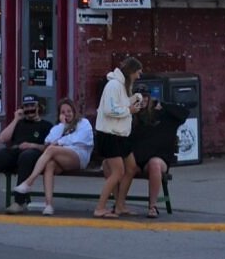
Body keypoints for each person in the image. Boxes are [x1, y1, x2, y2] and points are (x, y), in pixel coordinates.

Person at [12, 97, 94, 215]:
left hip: (79, 156)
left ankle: (29, 182)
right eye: (63, 112)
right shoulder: (59, 127)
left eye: (69, 111)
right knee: (50, 164)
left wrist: (59, 142)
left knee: (51, 150)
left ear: (74, 111)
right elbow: (48, 141)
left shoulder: (83, 123)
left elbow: (79, 140)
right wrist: (62, 125)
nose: (67, 114)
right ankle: (48, 205)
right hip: (62, 157)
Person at [115, 90, 190, 218]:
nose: (142, 100)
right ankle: (119, 204)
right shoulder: (131, 117)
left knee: (155, 164)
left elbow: (184, 113)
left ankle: (152, 206)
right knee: (115, 165)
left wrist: (163, 105)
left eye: (145, 97)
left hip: (158, 159)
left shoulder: (162, 114)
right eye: (138, 97)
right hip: (136, 160)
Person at [0, 94, 50, 214]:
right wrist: (15, 119)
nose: (29, 109)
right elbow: (3, 138)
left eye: (32, 106)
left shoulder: (46, 125)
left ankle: (19, 202)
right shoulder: (19, 123)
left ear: (38, 107)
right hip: (14, 152)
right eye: (26, 106)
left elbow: (48, 147)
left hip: (33, 155)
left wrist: (32, 145)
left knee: (26, 156)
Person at [92, 56, 144, 218]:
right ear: (131, 72)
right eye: (138, 73)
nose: (139, 76)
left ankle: (120, 205)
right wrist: (130, 110)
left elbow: (119, 104)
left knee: (131, 167)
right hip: (109, 135)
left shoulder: (122, 86)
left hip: (121, 135)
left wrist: (134, 98)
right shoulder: (113, 85)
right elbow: (110, 109)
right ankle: (100, 207)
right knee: (118, 172)